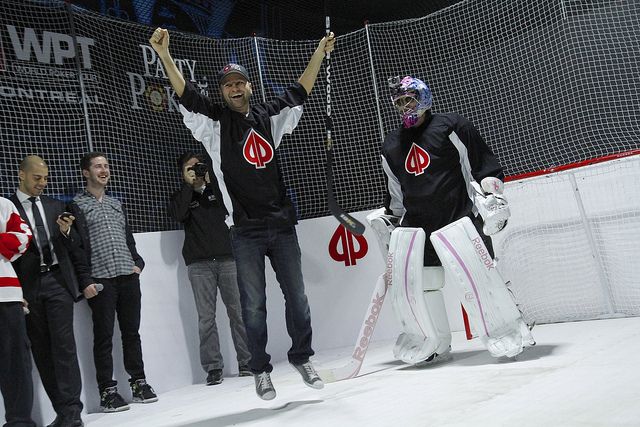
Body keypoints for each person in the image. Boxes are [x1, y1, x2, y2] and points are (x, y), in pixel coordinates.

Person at [149, 27, 335, 400]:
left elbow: (300, 91)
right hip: (245, 232)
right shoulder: (214, 125)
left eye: (240, 83)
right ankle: (260, 370)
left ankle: (302, 358)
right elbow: (186, 95)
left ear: (250, 86)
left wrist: (319, 52)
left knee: (297, 298)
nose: (234, 89)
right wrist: (164, 56)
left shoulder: (270, 117)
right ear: (222, 92)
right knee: (253, 306)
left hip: (282, 225)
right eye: (228, 85)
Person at [371, 75, 532, 364]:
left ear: (423, 96)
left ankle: (509, 330)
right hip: (418, 227)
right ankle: (433, 343)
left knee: (482, 277)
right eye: (399, 102)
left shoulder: (451, 126)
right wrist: (391, 220)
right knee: (423, 285)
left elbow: (482, 163)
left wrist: (493, 195)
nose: (405, 106)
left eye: (409, 98)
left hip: (459, 218)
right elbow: (395, 190)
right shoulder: (391, 145)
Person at [68, 152, 157, 413]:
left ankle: (139, 384)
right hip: (101, 281)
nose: (104, 170)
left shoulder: (116, 204)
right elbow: (77, 249)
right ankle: (108, 392)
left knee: (132, 334)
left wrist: (137, 263)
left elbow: (128, 240)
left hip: (127, 277)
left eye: (106, 166)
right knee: (104, 337)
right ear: (86, 172)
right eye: (98, 166)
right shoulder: (76, 206)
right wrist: (86, 280)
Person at [10, 156, 95, 427]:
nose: (43, 183)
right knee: (42, 353)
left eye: (46, 178)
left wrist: (67, 231)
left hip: (58, 282)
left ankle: (72, 414)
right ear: (21, 174)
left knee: (64, 348)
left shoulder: (56, 205)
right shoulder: (6, 208)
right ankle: (62, 411)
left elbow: (76, 245)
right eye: (37, 178)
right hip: (27, 288)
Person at [168, 151, 252, 386]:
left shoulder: (220, 190)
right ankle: (213, 367)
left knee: (239, 313)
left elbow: (235, 207)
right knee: (206, 318)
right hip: (199, 264)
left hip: (229, 259)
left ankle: (247, 361)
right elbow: (178, 215)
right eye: (190, 168)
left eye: (200, 166)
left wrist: (210, 181)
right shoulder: (180, 196)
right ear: (182, 173)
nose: (197, 170)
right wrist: (188, 187)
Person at [0, 197, 35, 427]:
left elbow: (24, 238)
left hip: (6, 295)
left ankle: (19, 422)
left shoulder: (3, 205)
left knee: (15, 362)